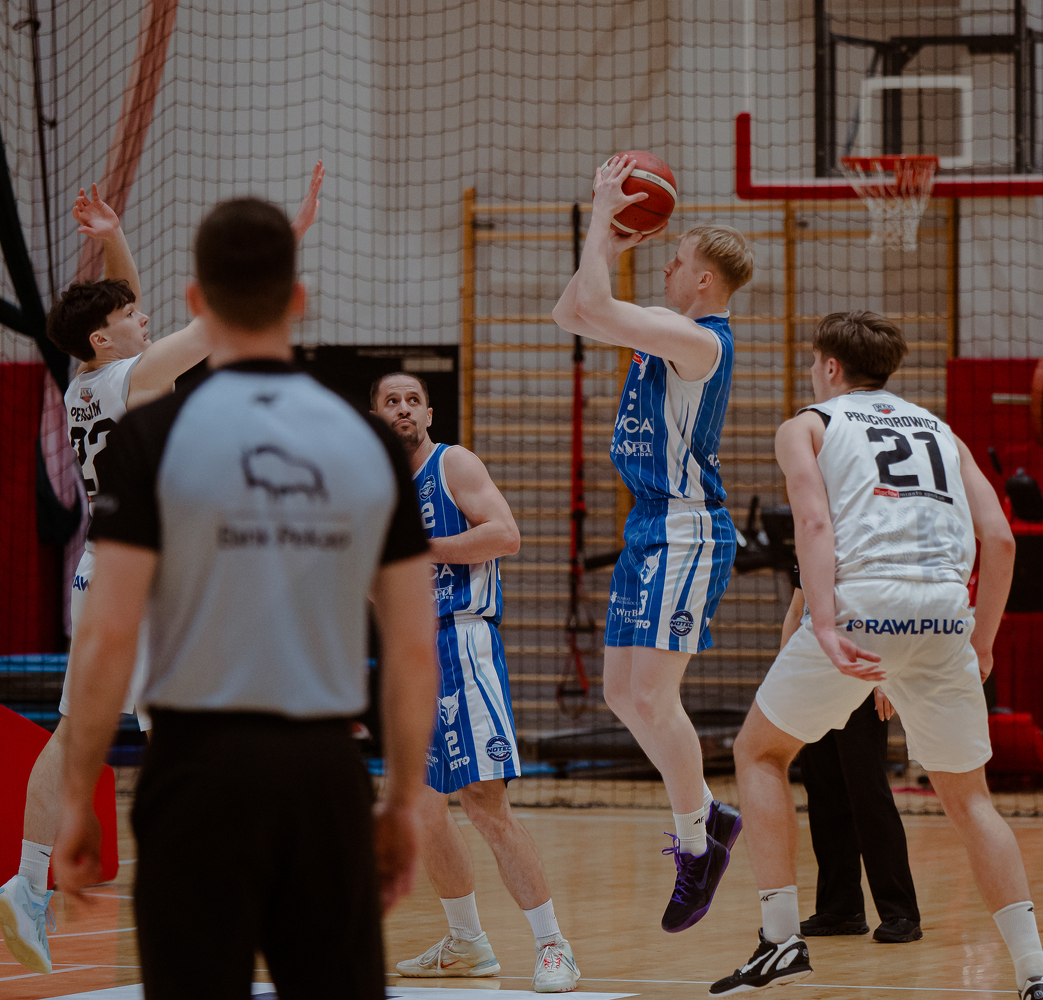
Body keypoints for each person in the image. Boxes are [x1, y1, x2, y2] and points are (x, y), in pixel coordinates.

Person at [51, 197, 437, 997]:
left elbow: (108, 635)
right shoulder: (369, 439)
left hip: (195, 773)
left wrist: (80, 792)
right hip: (323, 772)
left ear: (196, 300)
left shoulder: (149, 437)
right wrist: (402, 800)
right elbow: (409, 645)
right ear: (298, 299)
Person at [0, 165, 323, 974]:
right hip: (151, 578)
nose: (145, 318)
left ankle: (29, 883)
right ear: (107, 338)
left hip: (101, 571)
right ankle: (211, 898)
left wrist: (114, 242)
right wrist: (285, 240)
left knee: (81, 734)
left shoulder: (84, 381)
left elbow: (122, 311)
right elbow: (223, 317)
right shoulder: (136, 374)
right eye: (132, 317)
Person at [713, 311, 1043, 1000]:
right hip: (944, 614)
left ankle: (779, 941)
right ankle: (1036, 976)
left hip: (866, 604)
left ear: (830, 366)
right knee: (970, 801)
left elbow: (814, 523)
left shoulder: (806, 425)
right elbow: (1001, 541)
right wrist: (981, 643)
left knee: (758, 753)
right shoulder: (942, 432)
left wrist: (821, 622)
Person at [551, 156, 753, 932]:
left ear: (702, 280)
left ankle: (698, 843)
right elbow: (571, 313)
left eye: (675, 260)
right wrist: (604, 245)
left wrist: (603, 217)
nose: (664, 267)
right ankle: (708, 816)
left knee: (652, 697)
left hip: (686, 527)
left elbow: (596, 303)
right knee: (618, 693)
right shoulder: (665, 336)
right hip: (648, 525)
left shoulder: (699, 341)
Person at [372, 373, 580, 993]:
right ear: (375, 414)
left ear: (429, 412)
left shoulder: (452, 463)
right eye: (391, 401)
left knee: (484, 802)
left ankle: (553, 946)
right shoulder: (374, 487)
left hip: (463, 639)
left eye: (413, 400)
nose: (403, 409)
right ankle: (467, 942)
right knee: (421, 805)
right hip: (409, 651)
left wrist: (418, 547)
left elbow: (504, 535)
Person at [782, 587, 922, 943]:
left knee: (867, 791)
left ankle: (900, 912)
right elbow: (798, 609)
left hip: (860, 673)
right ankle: (840, 908)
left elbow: (889, 607)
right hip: (812, 675)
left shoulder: (869, 550)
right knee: (823, 790)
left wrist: (886, 677)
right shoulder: (806, 551)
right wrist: (784, 678)